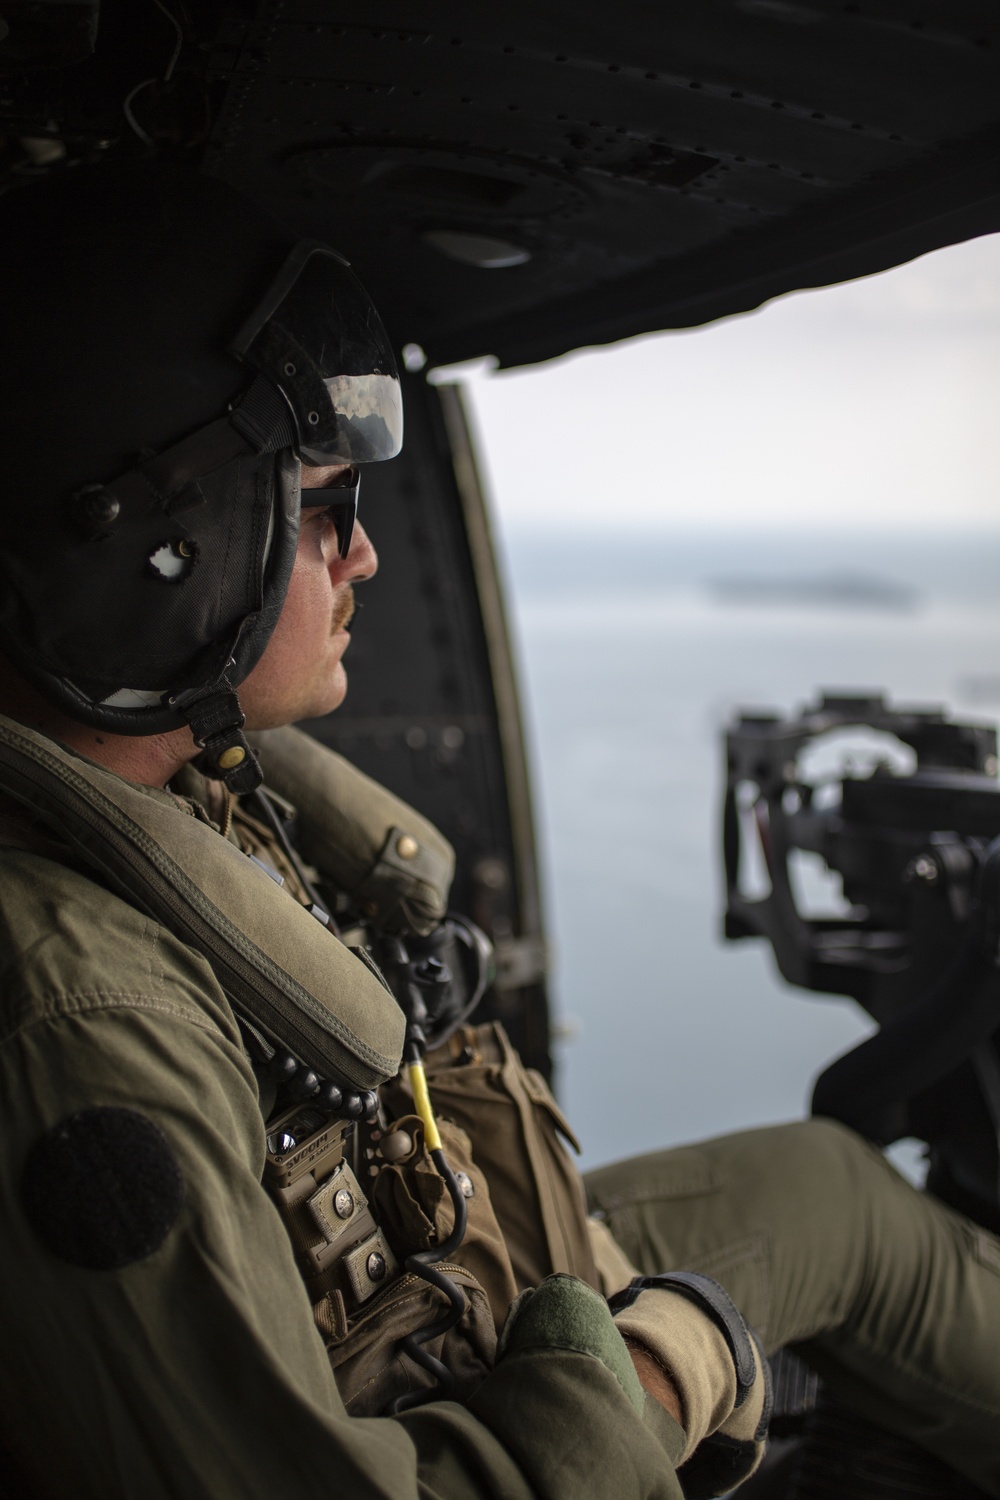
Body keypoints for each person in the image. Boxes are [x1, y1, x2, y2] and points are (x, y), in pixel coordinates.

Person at [0, 163, 997, 1500]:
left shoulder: (177, 782)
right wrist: (653, 1373)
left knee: (841, 1193)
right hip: (485, 1376)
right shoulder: (79, 1021)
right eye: (326, 511)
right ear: (155, 553)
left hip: (468, 1283)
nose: (361, 560)